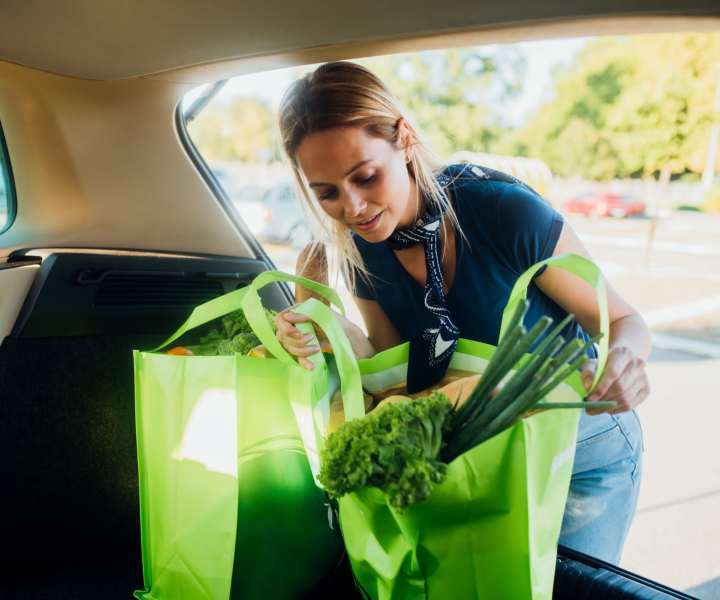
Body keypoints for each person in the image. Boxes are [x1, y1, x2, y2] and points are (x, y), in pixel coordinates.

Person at [274, 60, 648, 564]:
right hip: (483, 447)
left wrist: (623, 361)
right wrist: (329, 334)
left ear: (404, 139)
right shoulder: (362, 248)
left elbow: (623, 321)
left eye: (365, 177)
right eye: (327, 193)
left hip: (578, 442)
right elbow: (398, 370)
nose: (354, 207)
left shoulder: (502, 212)